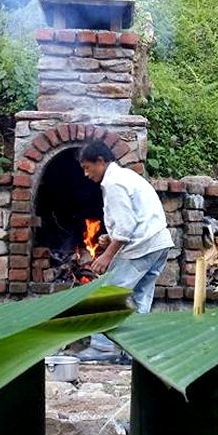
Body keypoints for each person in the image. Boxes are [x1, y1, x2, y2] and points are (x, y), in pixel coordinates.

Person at [76, 140, 173, 362]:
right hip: (158, 243)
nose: (86, 174)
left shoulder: (114, 183)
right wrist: (111, 237)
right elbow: (134, 218)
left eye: (87, 167)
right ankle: (133, 351)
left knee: (108, 294)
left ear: (100, 161)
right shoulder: (127, 176)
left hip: (142, 247)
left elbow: (126, 227)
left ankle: (102, 347)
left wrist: (108, 255)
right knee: (139, 298)